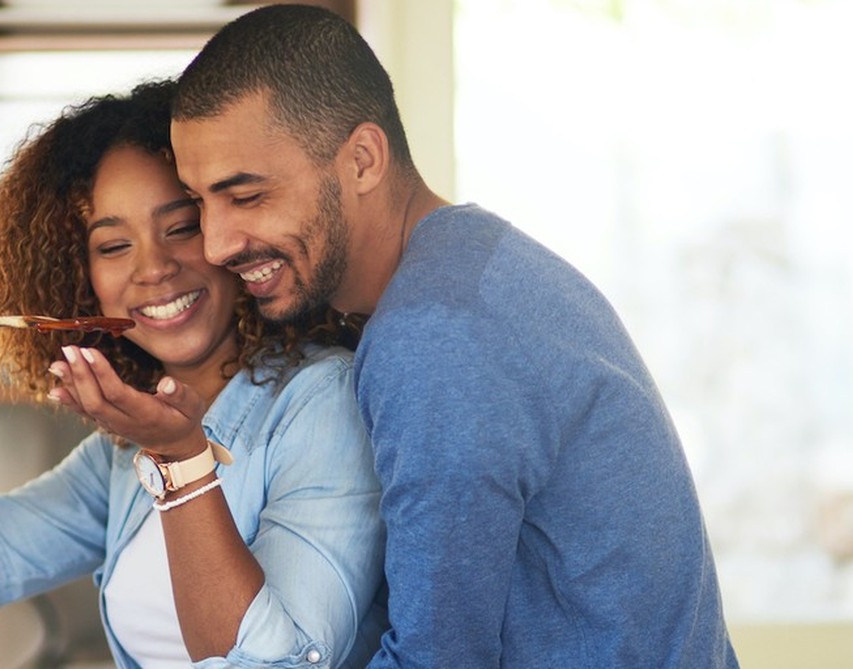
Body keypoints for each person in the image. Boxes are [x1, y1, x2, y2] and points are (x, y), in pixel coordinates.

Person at [168, 5, 739, 668]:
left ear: (362, 160)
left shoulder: (435, 337)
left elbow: (437, 659)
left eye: (247, 196)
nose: (215, 243)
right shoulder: (477, 265)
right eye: (199, 201)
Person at [0, 79, 388, 668]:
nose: (153, 268)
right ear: (80, 277)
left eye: (181, 228)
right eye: (114, 245)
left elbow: (283, 662)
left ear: (231, 233)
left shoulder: (323, 399)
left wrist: (182, 463)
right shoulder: (125, 456)